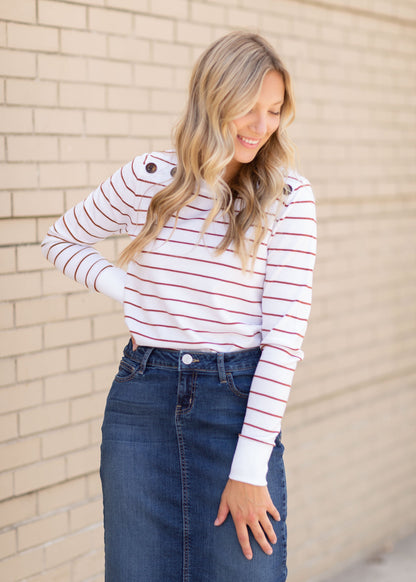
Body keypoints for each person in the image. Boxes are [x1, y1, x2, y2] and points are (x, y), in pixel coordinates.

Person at [41, 30, 316, 582]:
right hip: (143, 400)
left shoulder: (288, 195)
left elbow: (284, 339)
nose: (261, 127)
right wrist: (129, 288)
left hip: (235, 405)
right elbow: (61, 240)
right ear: (213, 98)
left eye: (274, 111)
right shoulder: (151, 179)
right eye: (248, 108)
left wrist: (248, 469)